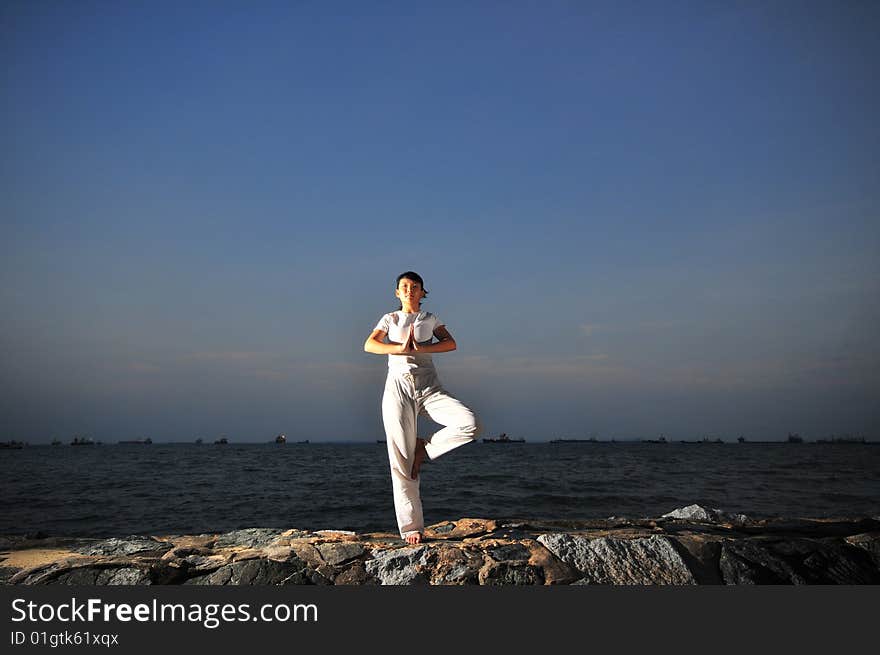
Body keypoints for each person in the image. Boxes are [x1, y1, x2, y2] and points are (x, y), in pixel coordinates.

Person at [364, 271, 482, 545]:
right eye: (404, 286)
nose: (409, 290)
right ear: (397, 293)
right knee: (400, 461)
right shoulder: (389, 319)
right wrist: (399, 348)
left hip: (429, 386)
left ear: (422, 292)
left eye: (414, 287)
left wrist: (420, 349)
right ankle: (411, 528)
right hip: (398, 388)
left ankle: (424, 449)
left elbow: (450, 344)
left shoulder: (429, 319)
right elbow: (370, 345)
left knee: (470, 423)